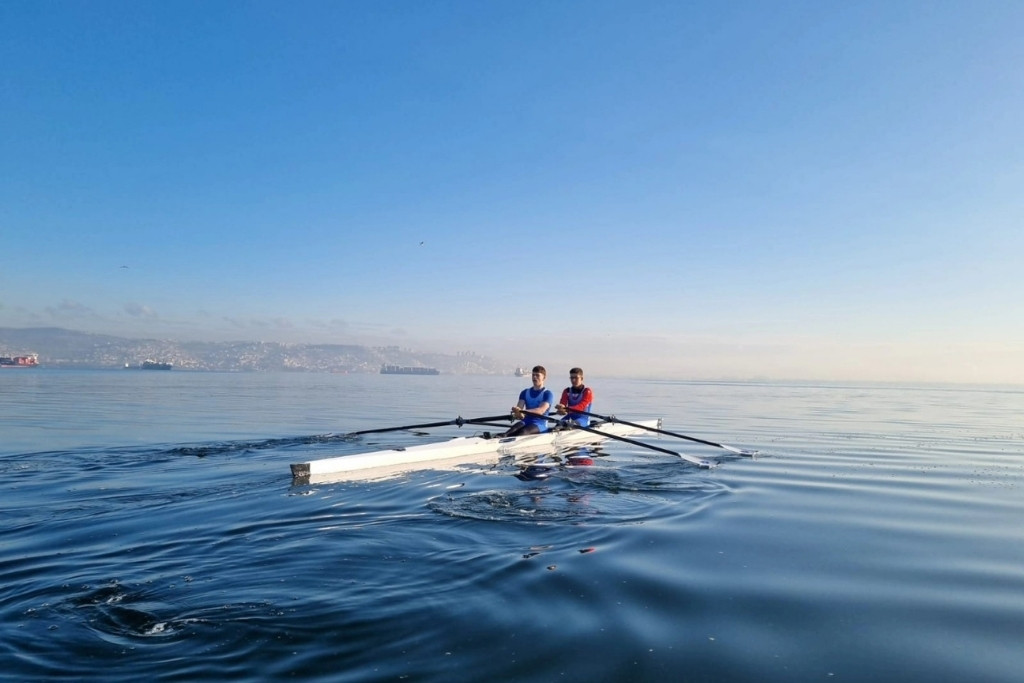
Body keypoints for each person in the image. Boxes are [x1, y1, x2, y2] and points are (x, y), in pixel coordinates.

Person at [504, 365, 555, 436]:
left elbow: (540, 411)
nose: (534, 377)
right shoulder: (524, 392)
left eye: (537, 375)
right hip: (525, 421)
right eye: (533, 375)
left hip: (540, 424)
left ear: (544, 377)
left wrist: (523, 412)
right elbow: (520, 412)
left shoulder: (547, 394)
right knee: (508, 433)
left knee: (523, 432)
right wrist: (517, 412)